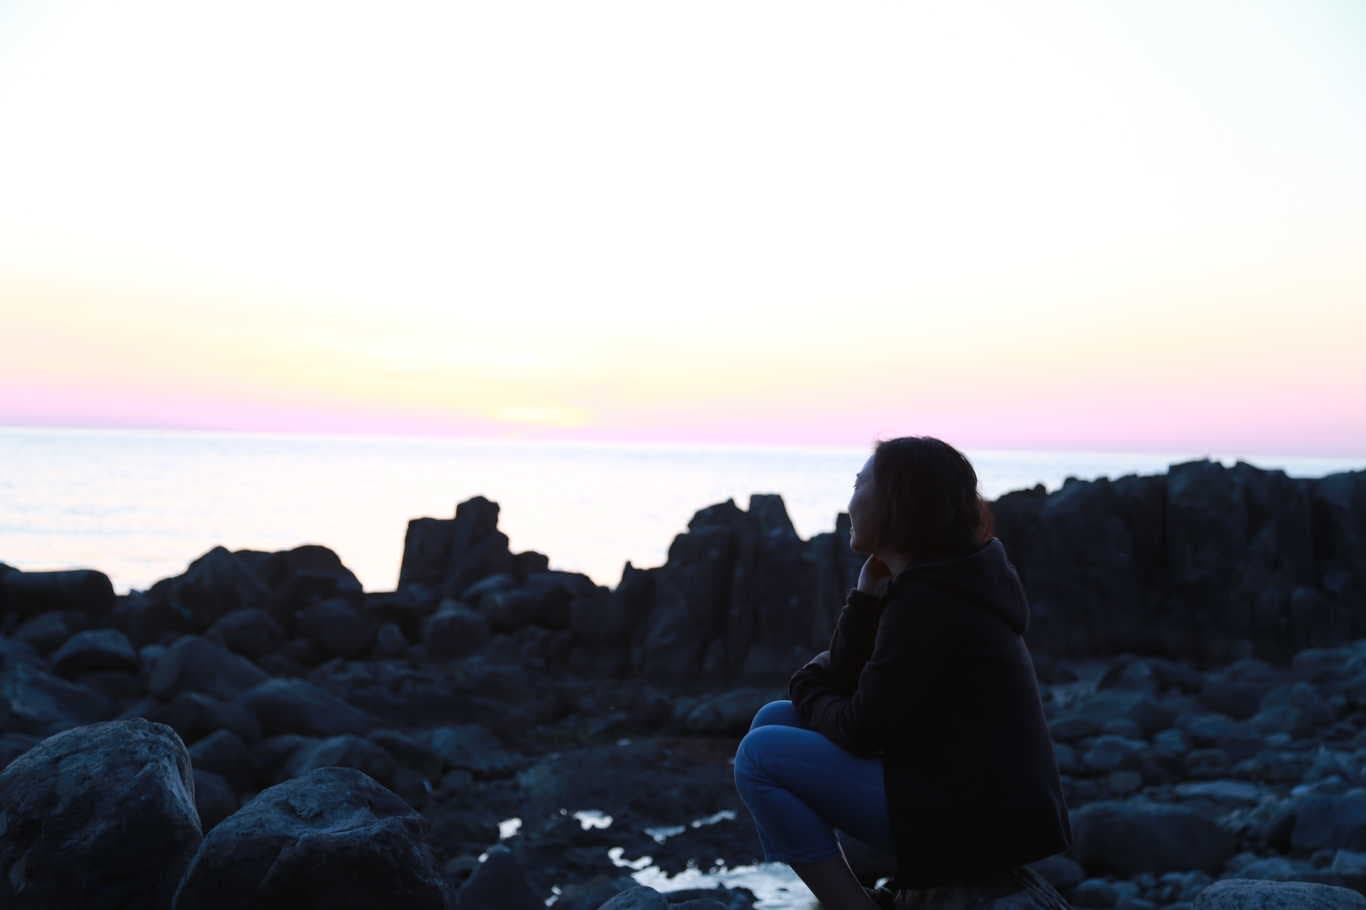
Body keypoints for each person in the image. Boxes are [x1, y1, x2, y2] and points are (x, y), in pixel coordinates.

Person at [732, 436, 1072, 910]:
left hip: (978, 820)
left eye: (858, 485)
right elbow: (856, 684)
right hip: (973, 799)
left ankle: (855, 907)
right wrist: (865, 600)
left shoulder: (934, 601)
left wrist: (808, 686)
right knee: (775, 719)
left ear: (896, 502)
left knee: (759, 757)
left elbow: (860, 727)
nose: (849, 502)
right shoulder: (940, 580)